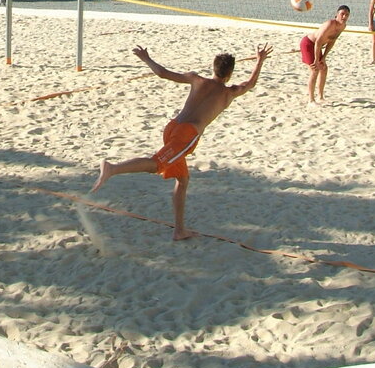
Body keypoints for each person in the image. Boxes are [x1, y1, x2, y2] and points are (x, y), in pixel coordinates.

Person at [91, 43, 273, 241]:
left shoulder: (196, 79)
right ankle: (112, 168)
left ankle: (179, 230)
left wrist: (146, 58)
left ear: (213, 68)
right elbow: (250, 83)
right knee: (156, 165)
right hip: (186, 135)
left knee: (183, 180)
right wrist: (259, 61)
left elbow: (162, 73)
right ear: (229, 74)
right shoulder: (229, 93)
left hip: (172, 127)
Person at [299, 5, 351, 103]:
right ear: (337, 14)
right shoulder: (330, 24)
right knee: (315, 70)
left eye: (346, 15)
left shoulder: (343, 26)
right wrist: (316, 60)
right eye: (342, 14)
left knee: (324, 68)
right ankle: (311, 100)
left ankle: (320, 96)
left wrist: (324, 57)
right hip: (309, 44)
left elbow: (332, 41)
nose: (344, 17)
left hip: (318, 46)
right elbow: (318, 42)